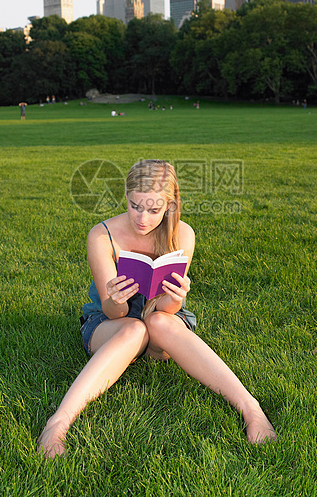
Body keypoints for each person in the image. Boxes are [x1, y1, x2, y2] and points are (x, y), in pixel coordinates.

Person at [38, 160, 275, 458]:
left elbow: (166, 310)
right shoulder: (101, 235)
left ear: (170, 205)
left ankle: (251, 409)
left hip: (162, 323)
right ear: (125, 195)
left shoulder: (182, 234)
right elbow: (114, 315)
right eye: (135, 206)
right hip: (110, 325)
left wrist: (176, 296)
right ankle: (57, 424)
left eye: (153, 210)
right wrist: (115, 298)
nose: (142, 218)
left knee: (159, 323)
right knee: (134, 328)